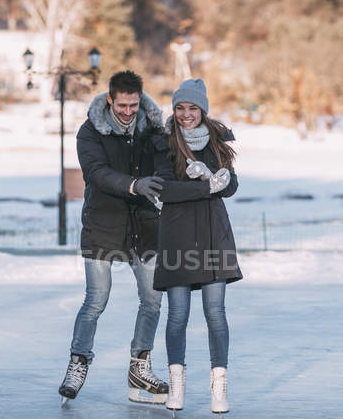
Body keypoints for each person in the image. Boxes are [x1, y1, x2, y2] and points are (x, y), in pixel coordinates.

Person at [58, 70, 170, 405]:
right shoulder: (90, 131)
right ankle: (78, 362)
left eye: (133, 105)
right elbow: (96, 173)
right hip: (104, 224)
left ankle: (140, 367)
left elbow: (167, 163)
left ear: (140, 99)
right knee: (96, 301)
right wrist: (136, 185)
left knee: (152, 301)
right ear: (110, 99)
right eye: (122, 105)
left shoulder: (152, 128)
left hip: (145, 226)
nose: (127, 111)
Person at [152, 78, 242, 416]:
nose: (185, 114)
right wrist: (207, 184)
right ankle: (177, 385)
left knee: (215, 313)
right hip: (177, 235)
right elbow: (166, 191)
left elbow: (231, 185)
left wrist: (220, 179)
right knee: (177, 314)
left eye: (192, 108)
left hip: (212, 233)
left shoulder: (218, 141)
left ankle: (219, 387)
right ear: (173, 110)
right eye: (180, 108)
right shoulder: (163, 143)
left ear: (202, 109)